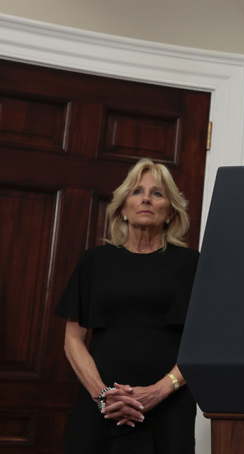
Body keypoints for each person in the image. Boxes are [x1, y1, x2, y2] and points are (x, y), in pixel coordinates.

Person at [55, 158, 198, 454]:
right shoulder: (94, 261)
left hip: (169, 407)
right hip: (100, 407)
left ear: (170, 211)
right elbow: (73, 339)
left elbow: (204, 343)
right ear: (122, 207)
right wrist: (103, 395)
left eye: (157, 193)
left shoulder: (193, 265)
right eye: (137, 192)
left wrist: (159, 391)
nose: (146, 198)